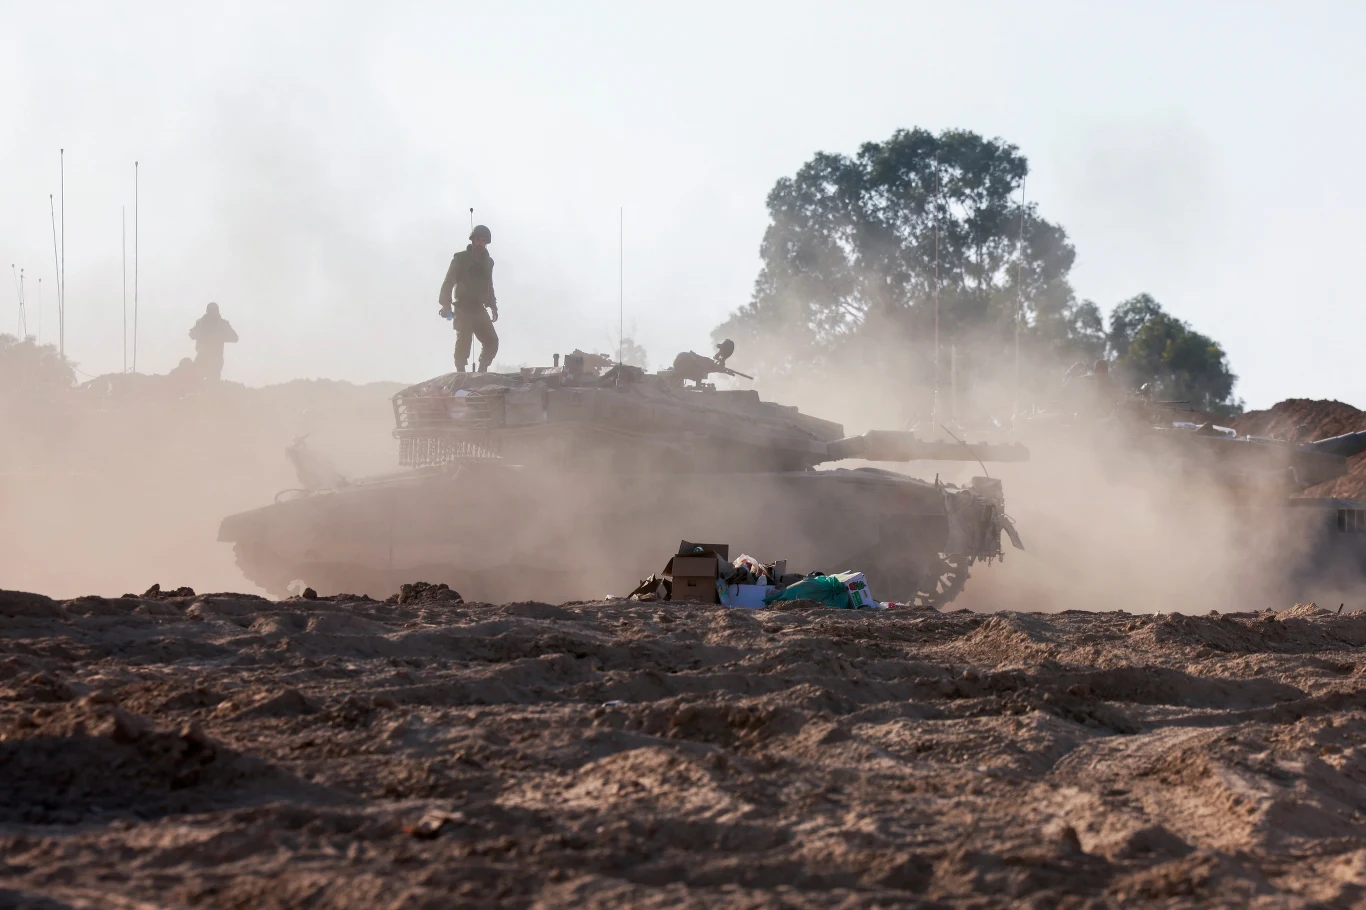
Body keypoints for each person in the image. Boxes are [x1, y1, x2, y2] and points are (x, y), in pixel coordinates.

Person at [438, 224, 499, 372]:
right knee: (463, 344)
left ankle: (482, 371)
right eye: (478, 240)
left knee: (492, 341)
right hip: (463, 308)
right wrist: (445, 304)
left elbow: (489, 286)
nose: (480, 243)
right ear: (473, 240)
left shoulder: (488, 263)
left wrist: (493, 306)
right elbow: (448, 281)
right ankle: (460, 374)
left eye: (484, 241)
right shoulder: (460, 259)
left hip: (479, 308)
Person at [189, 302, 238, 381]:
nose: (212, 313)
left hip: (215, 357)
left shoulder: (223, 324)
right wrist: (200, 334)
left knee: (212, 384)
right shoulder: (201, 322)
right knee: (194, 380)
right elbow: (192, 335)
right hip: (202, 356)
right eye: (210, 310)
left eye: (214, 310)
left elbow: (235, 338)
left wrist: (220, 337)